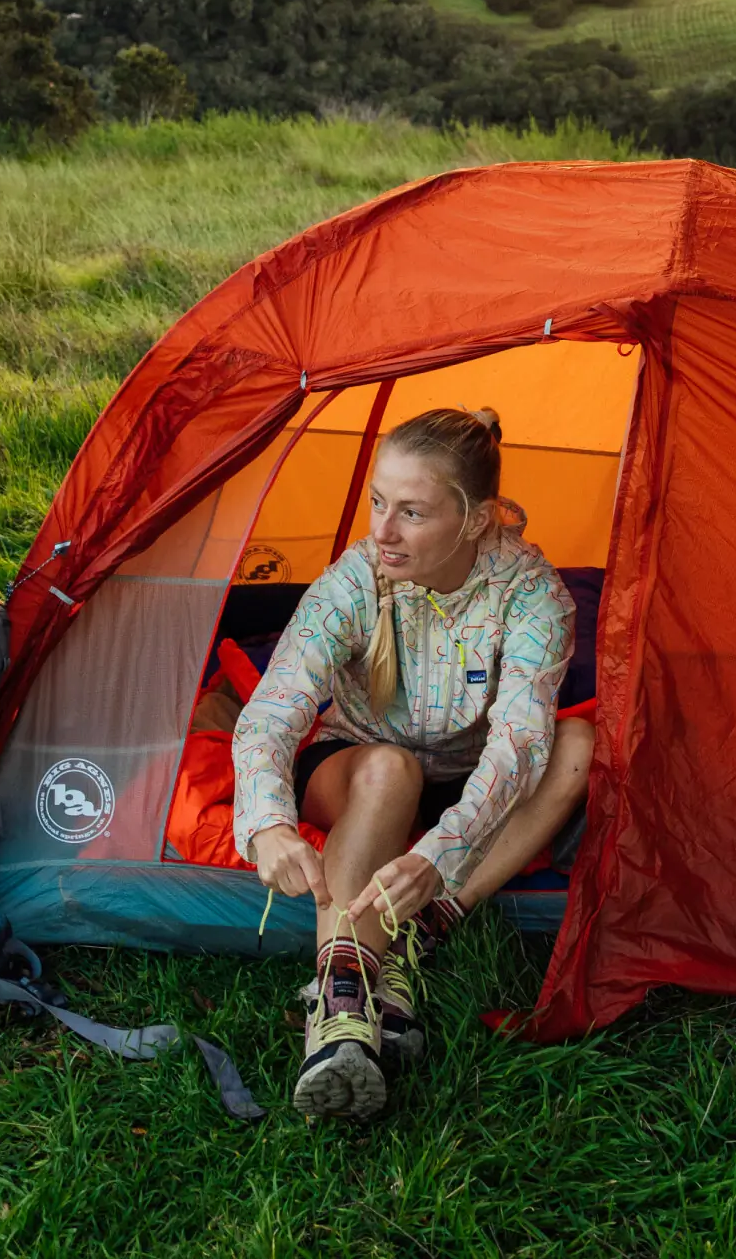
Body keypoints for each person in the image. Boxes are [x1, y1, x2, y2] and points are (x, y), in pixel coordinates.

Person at [232, 406, 593, 1120]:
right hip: (360, 764)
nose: (382, 530)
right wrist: (266, 821)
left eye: (412, 511)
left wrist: (439, 856)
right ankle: (341, 1008)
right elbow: (273, 710)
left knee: (578, 748)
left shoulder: (532, 596)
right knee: (391, 767)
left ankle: (428, 927)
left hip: (468, 777)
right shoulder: (356, 580)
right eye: (376, 502)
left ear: (476, 518)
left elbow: (518, 746)